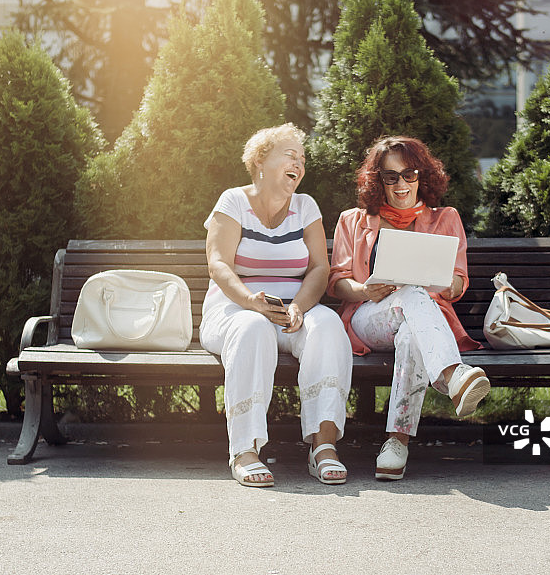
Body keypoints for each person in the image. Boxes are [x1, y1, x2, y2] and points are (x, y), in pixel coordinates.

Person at [327, 135, 490, 481]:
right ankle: (452, 376)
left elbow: (459, 282)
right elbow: (337, 281)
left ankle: (395, 444)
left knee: (411, 331)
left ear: (422, 177)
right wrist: (364, 290)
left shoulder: (446, 218)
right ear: (378, 181)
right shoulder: (352, 221)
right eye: (390, 176)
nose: (401, 184)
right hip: (368, 319)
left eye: (409, 174)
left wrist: (443, 281)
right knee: (412, 296)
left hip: (416, 322)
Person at [200, 123, 352, 487]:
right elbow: (218, 263)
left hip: (289, 312)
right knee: (252, 328)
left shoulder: (306, 207)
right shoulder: (232, 201)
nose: (299, 164)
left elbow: (319, 267)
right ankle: (245, 450)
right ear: (260, 160)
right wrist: (250, 301)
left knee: (328, 325)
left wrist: (300, 305)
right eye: (290, 155)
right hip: (234, 310)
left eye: (302, 159)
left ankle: (323, 446)